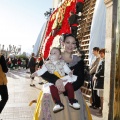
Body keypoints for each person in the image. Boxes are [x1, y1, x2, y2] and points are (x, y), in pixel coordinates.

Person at [33, 34, 92, 120]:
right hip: (53, 95)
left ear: (75, 45)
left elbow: (80, 80)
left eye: (73, 43)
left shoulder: (78, 61)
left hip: (72, 94)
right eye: (68, 42)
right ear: (62, 43)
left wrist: (65, 90)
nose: (70, 46)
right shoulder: (54, 55)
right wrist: (56, 80)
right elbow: (44, 73)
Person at [31, 47, 80, 113]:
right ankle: (58, 103)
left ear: (60, 56)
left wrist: (70, 72)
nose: (52, 54)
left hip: (62, 79)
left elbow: (67, 70)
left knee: (69, 85)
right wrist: (35, 73)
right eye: (51, 53)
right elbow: (41, 71)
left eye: (54, 53)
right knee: (52, 88)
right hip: (52, 81)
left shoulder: (62, 63)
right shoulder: (46, 64)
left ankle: (71, 101)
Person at [93, 48, 105, 116]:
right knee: (101, 97)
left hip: (101, 81)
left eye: (102, 53)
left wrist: (96, 75)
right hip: (100, 81)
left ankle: (102, 111)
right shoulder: (102, 60)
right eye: (100, 53)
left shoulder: (104, 61)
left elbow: (102, 70)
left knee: (102, 97)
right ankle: (101, 110)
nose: (101, 54)